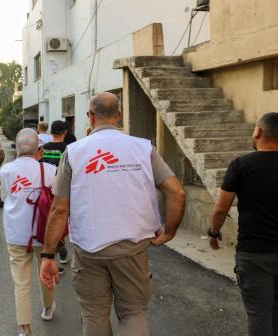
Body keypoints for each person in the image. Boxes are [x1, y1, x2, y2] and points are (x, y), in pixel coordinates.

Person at [39, 92, 186, 336]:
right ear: (119, 116)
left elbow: (59, 209)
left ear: (90, 116)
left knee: (94, 315)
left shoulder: (74, 152)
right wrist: (169, 232)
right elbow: (176, 193)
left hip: (89, 251)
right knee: (133, 313)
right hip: (132, 248)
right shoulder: (143, 148)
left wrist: (48, 255)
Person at [208, 112, 278, 336]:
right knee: (277, 304)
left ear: (258, 132)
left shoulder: (241, 165)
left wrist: (213, 233)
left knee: (258, 313)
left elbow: (221, 208)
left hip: (254, 254)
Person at [0, 128, 58, 336]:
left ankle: (25, 329)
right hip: (44, 233)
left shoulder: (6, 171)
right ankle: (48, 308)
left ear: (16, 149)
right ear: (39, 150)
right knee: (46, 271)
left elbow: (10, 193)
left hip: (17, 233)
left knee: (21, 282)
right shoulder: (50, 171)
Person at [40, 120, 70, 267]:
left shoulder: (43, 149)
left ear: (51, 132)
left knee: (50, 219)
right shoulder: (69, 149)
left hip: (46, 189)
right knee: (63, 220)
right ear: (65, 132)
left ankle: (59, 246)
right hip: (64, 190)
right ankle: (61, 248)